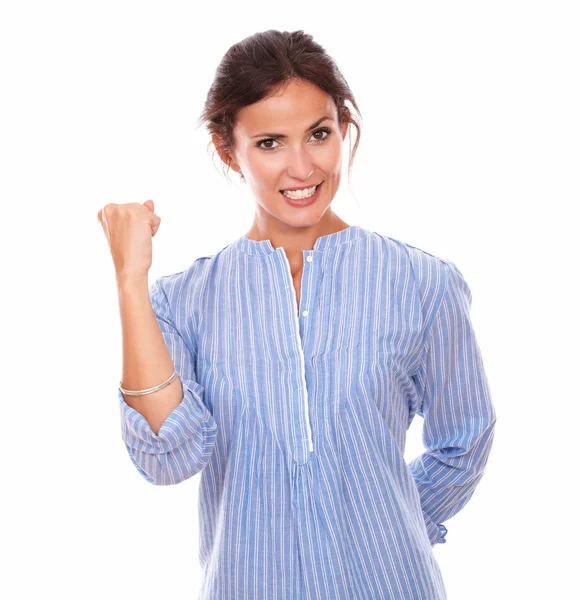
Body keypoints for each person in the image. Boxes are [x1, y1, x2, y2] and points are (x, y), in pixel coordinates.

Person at [98, 29, 496, 600]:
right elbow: (168, 457)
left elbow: (465, 439)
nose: (302, 167)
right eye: (269, 143)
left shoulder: (421, 283)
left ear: (344, 129)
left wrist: (385, 523)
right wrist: (130, 281)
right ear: (225, 148)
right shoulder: (184, 302)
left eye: (318, 134)